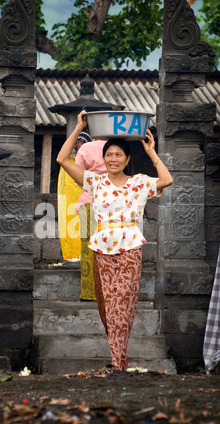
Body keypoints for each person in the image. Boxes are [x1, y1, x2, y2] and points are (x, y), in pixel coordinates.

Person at [57, 110, 173, 371]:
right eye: (109, 154)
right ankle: (120, 359)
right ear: (104, 158)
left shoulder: (139, 183)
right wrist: (78, 128)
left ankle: (116, 362)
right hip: (102, 248)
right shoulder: (95, 182)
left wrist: (152, 152)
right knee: (108, 306)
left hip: (130, 248)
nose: (113, 159)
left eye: (118, 154)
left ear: (127, 158)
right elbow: (62, 158)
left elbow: (167, 180)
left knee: (124, 304)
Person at [75, 139, 107, 300]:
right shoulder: (120, 145)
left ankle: (88, 294)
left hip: (89, 201)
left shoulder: (86, 148)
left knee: (88, 248)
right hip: (113, 202)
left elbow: (77, 177)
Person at [57, 131, 91, 261]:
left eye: (82, 144)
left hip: (86, 202)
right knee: (69, 221)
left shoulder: (90, 164)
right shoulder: (67, 163)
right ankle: (73, 255)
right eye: (77, 144)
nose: (79, 146)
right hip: (69, 200)